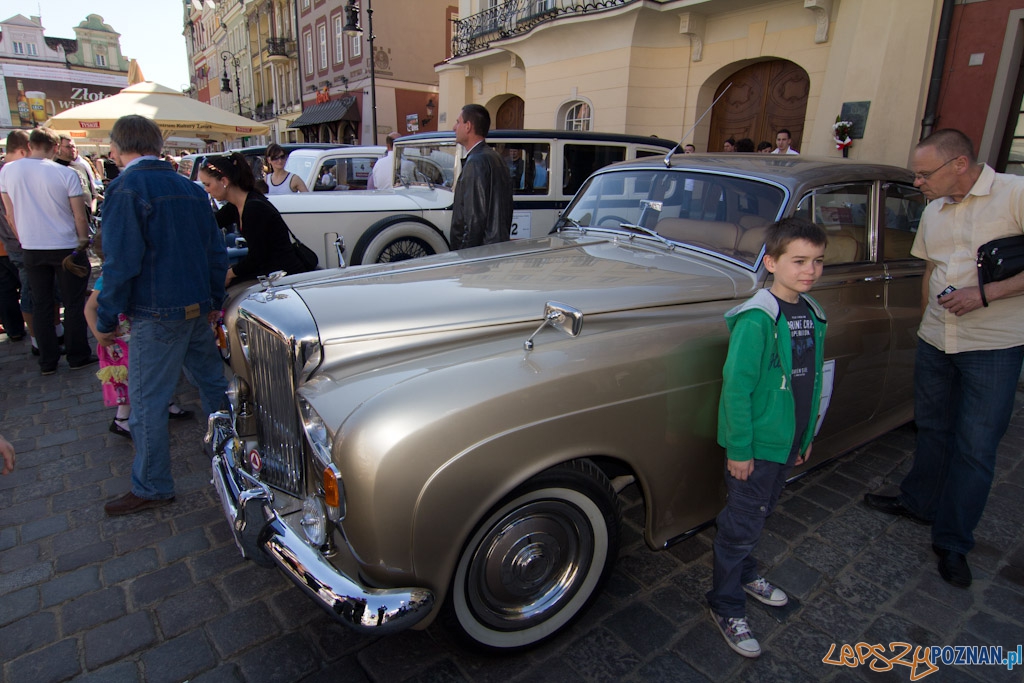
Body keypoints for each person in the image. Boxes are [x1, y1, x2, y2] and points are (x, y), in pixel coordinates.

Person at [863, 129, 1024, 588]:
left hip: (993, 345)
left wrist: (986, 293)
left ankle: (953, 541)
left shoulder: (1015, 194)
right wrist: (922, 325)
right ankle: (919, 502)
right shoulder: (933, 210)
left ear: (959, 163)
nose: (917, 182)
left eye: (923, 173)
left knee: (975, 447)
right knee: (932, 428)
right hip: (937, 340)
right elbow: (929, 270)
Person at [96, 115, 229, 516]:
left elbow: (120, 263)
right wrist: (212, 302)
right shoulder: (190, 189)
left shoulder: (126, 189)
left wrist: (105, 317)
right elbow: (215, 253)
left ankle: (153, 485)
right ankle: (234, 456)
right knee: (213, 388)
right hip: (194, 306)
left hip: (157, 313)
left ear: (120, 149)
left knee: (146, 404)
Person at [708, 217, 828, 658]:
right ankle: (725, 603)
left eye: (818, 261)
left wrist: (804, 434)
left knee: (758, 514)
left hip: (786, 444)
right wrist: (740, 449)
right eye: (799, 261)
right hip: (755, 448)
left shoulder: (812, 314)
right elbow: (736, 387)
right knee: (740, 525)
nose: (810, 271)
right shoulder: (758, 318)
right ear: (772, 262)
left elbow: (809, 381)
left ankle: (744, 572)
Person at [0, 127, 94, 375]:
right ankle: (77, 355)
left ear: (30, 146)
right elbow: (78, 215)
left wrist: (24, 239)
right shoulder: (65, 173)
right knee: (73, 303)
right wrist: (83, 240)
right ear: (54, 148)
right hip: (65, 245)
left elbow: (10, 214)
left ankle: (47, 360)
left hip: (32, 246)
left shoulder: (8, 171)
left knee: (41, 303)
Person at [84, 229, 193, 439]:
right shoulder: (109, 277)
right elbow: (90, 307)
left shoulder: (133, 271)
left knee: (158, 367)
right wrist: (99, 332)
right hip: (122, 339)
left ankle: (166, 403)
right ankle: (121, 419)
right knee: (130, 378)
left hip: (139, 333)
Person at [199, 153, 313, 286]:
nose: (206, 190)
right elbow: (209, 224)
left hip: (283, 277)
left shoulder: (253, 209)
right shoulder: (238, 204)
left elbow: (257, 257)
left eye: (207, 184)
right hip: (271, 273)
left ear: (224, 181)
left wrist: (229, 273)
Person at [450, 104, 513, 249]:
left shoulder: (476, 162)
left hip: (478, 256)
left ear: (468, 126)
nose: (454, 127)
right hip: (493, 249)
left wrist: (465, 255)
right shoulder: (496, 158)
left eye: (458, 122)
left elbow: (474, 219)